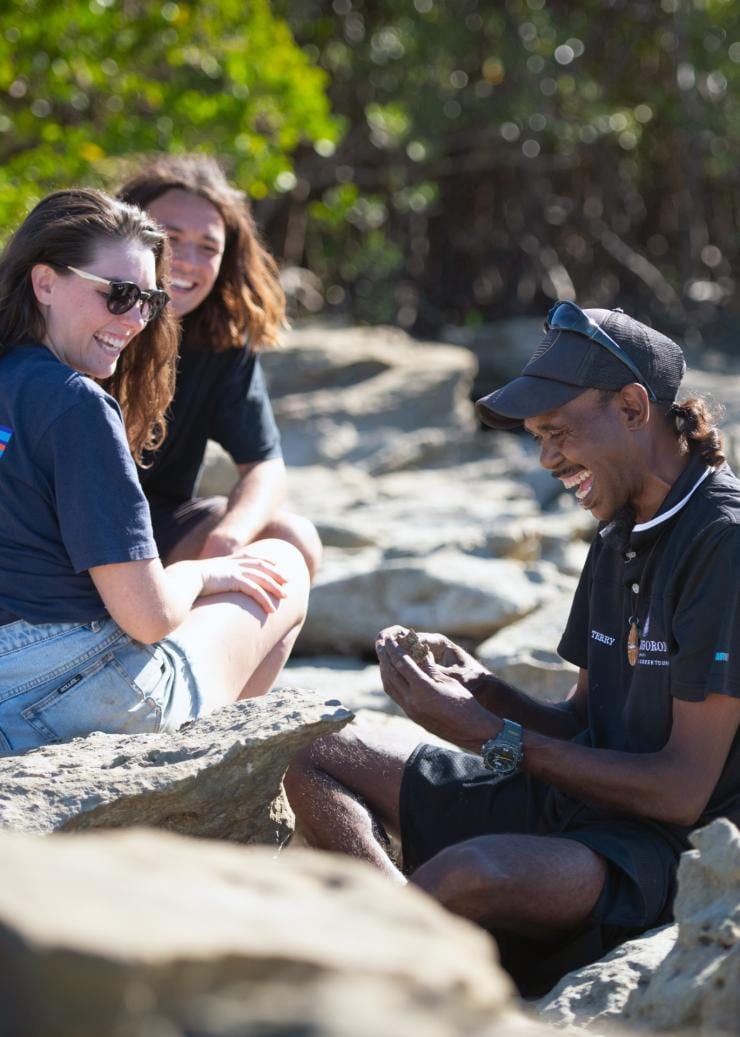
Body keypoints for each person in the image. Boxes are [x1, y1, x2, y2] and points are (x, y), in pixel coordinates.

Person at [285, 302, 740, 993]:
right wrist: (483, 689)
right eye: (535, 438)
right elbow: (585, 724)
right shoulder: (621, 523)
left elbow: (680, 791)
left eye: (557, 432)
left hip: (657, 851)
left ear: (632, 407)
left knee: (468, 872)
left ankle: (378, 971)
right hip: (572, 802)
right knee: (313, 753)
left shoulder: (722, 542)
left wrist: (495, 738)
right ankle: (412, 936)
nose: (547, 458)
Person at [0, 189, 309, 756]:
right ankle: (219, 778)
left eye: (148, 300)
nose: (136, 319)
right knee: (283, 563)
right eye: (118, 294)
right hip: (64, 696)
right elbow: (148, 618)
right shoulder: (76, 404)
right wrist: (201, 574)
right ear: (44, 283)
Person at [117, 156, 322, 576]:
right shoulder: (67, 320)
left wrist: (227, 540)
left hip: (153, 523)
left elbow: (265, 466)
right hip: (43, 527)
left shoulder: (219, 343)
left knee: (290, 540)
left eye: (208, 247)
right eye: (169, 237)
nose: (187, 260)